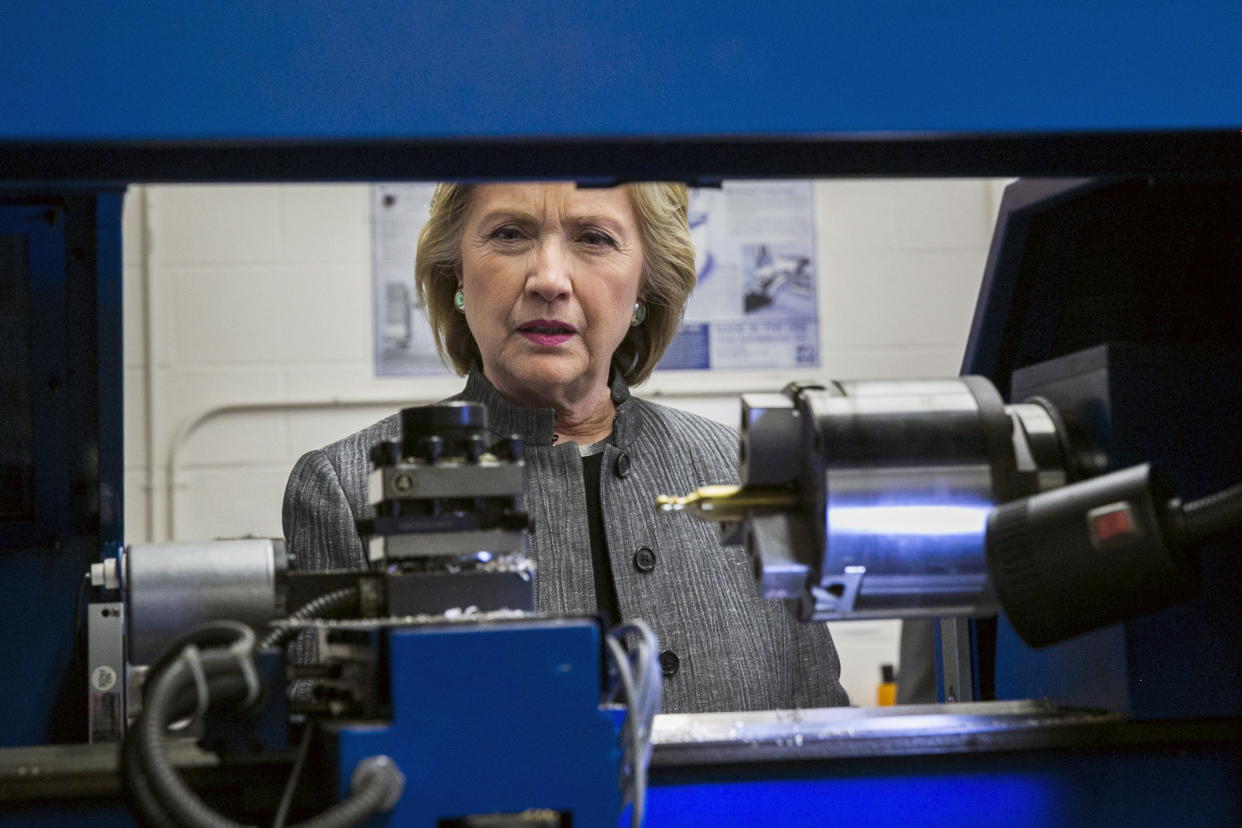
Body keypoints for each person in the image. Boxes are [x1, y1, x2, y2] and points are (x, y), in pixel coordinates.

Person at [283, 181, 848, 713]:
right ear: (455, 273)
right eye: (509, 234)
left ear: (646, 288)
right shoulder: (350, 487)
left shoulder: (748, 475)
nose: (549, 279)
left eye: (594, 238)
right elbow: (332, 774)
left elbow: (822, 742)